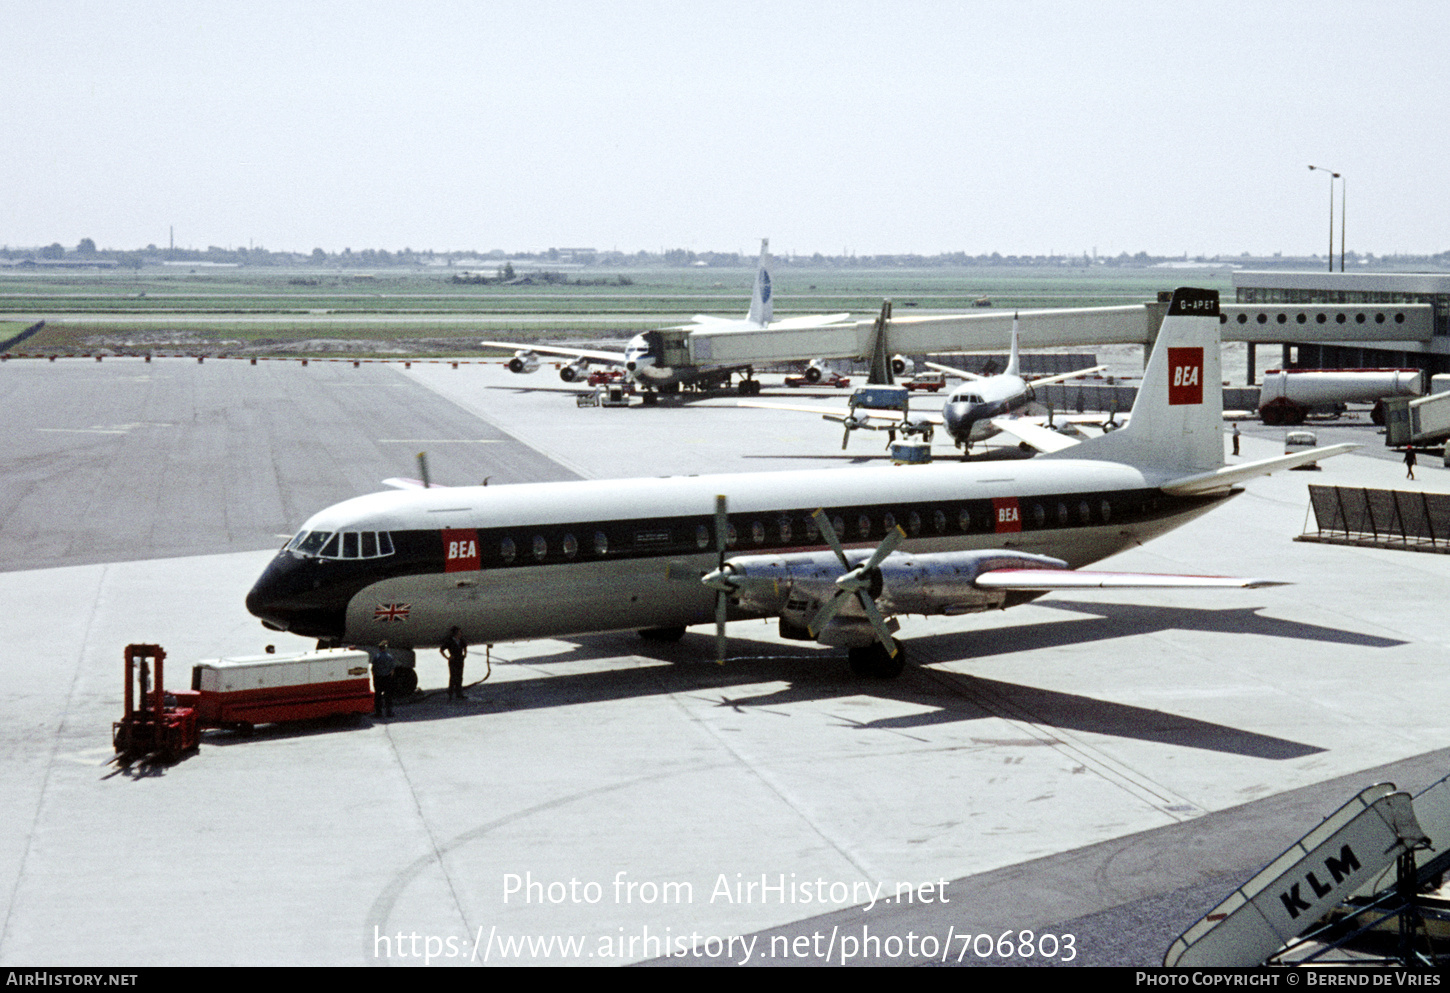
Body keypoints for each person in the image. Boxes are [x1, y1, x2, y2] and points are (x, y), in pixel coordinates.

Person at [441, 627, 468, 701]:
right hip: (453, 660)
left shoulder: (461, 640)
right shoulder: (449, 641)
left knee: (459, 677)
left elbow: (465, 647)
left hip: (460, 660)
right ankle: (450, 694)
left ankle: (459, 693)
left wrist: (465, 654)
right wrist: (447, 657)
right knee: (453, 677)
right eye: (459, 633)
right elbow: (441, 649)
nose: (460, 634)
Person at [372, 641, 397, 718]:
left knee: (378, 696)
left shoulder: (376, 657)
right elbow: (392, 669)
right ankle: (389, 712)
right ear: (385, 648)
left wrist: (375, 677)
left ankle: (378, 713)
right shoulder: (389, 657)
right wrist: (390, 676)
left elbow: (373, 669)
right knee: (388, 696)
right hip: (387, 678)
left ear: (379, 649)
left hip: (378, 678)